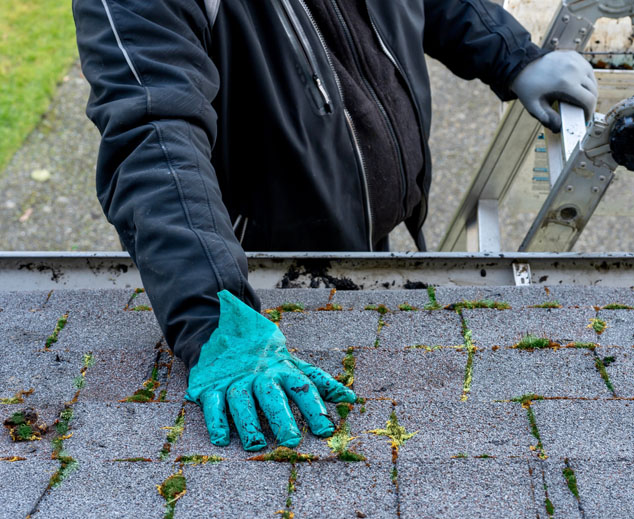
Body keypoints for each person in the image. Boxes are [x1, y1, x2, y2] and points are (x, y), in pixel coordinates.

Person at [72, 0, 598, 451]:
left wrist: (509, 53)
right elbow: (153, 132)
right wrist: (214, 312)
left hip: (368, 231)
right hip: (257, 274)